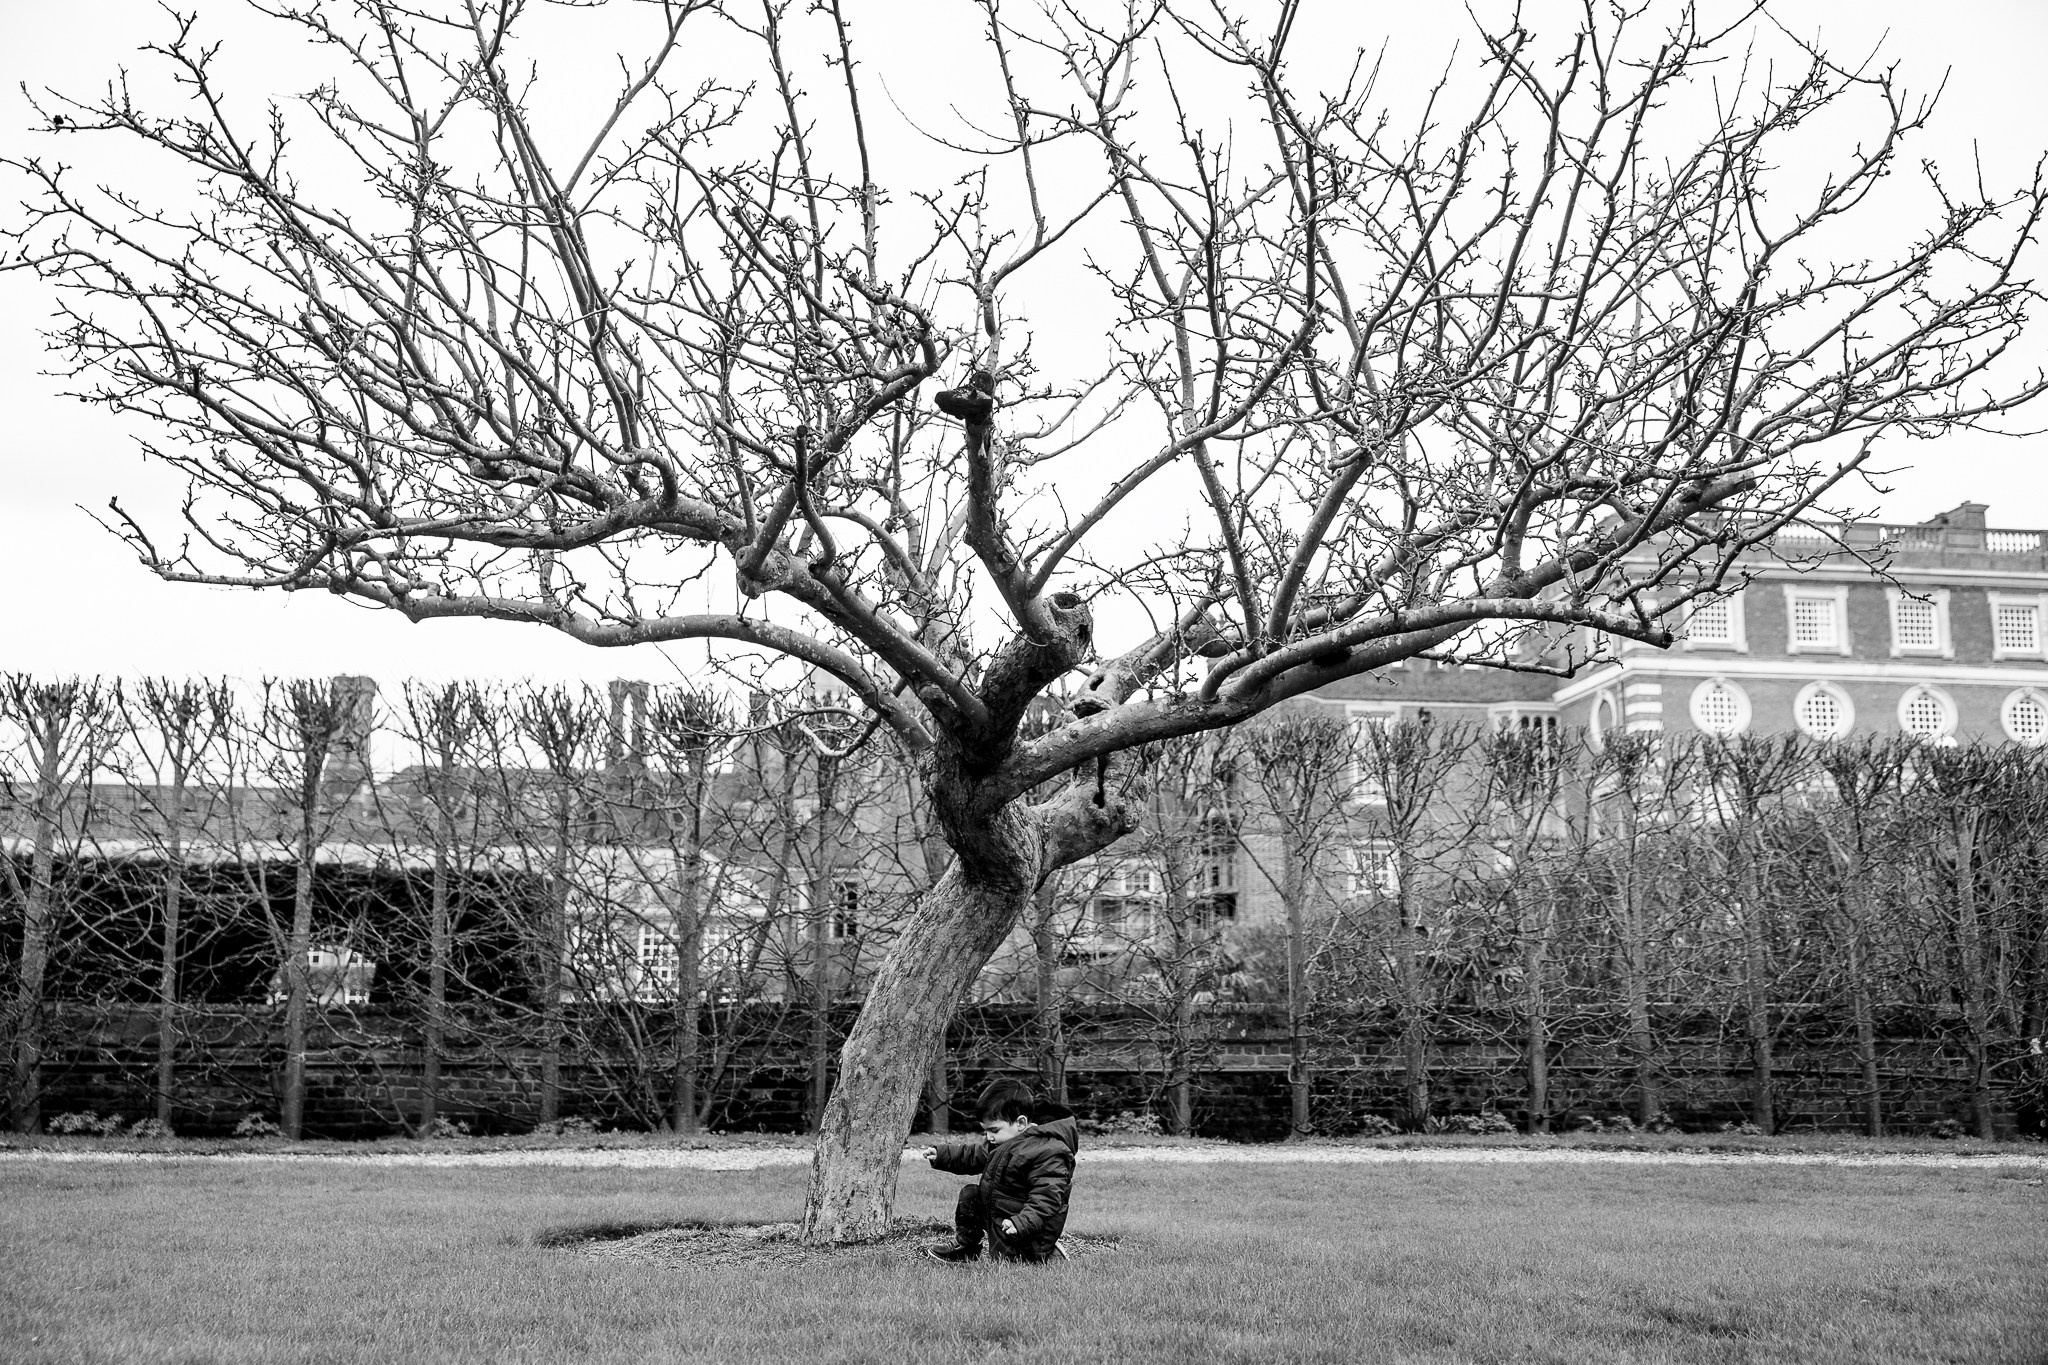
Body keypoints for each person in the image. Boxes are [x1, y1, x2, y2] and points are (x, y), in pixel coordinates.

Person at [919, 1078, 1077, 1263]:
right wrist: (942, 1155)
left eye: (994, 1130)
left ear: (1020, 1122)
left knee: (1006, 1263)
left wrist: (1021, 1222)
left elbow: (1046, 1199)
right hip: (1001, 1214)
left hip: (1027, 1226)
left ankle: (1045, 1253)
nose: (989, 1137)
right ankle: (966, 1246)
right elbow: (973, 1155)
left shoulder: (1049, 1151)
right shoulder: (1003, 1142)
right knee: (970, 1195)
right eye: (985, 1131)